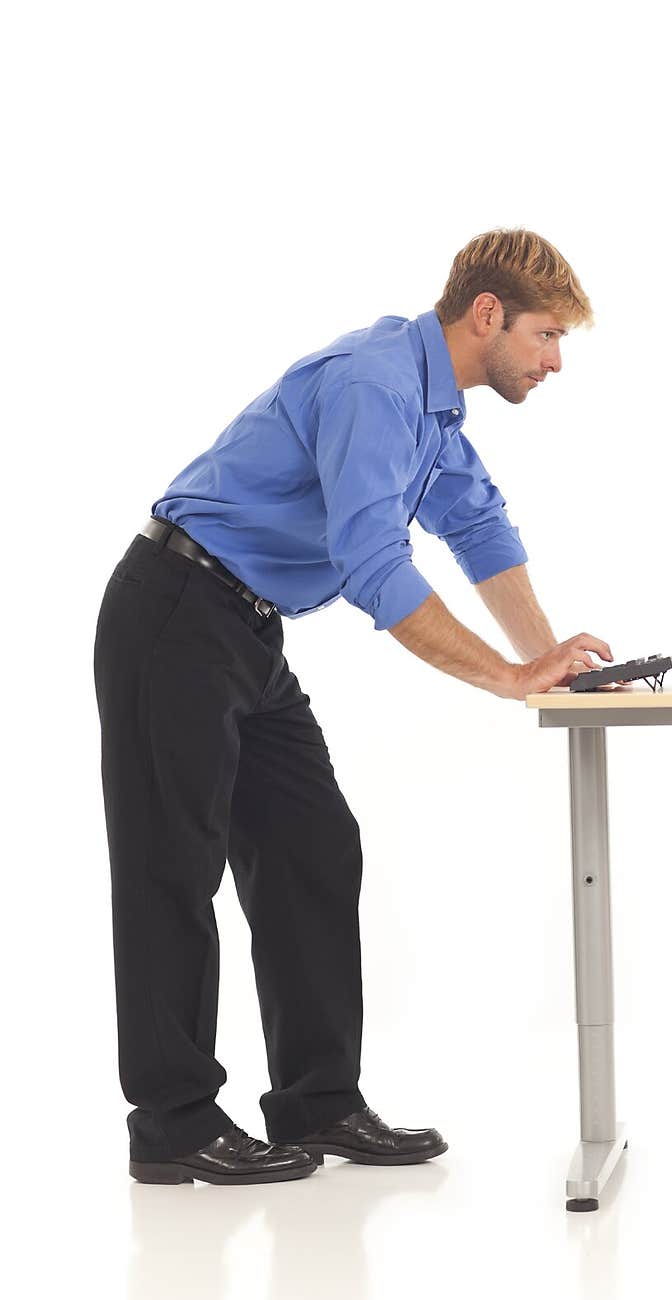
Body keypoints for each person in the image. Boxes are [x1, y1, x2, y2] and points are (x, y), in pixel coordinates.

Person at [93, 227, 616, 1186]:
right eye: (546, 336)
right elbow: (375, 565)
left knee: (312, 847)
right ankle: (171, 1124)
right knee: (173, 863)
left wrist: (543, 658)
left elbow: (477, 525)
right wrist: (506, 679)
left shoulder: (435, 408)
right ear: (486, 315)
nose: (554, 361)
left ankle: (318, 1101)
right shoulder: (374, 385)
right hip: (175, 609)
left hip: (246, 628)